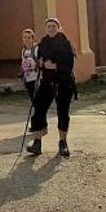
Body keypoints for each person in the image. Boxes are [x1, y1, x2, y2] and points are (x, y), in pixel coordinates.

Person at [28, 17, 76, 158]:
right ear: (46, 28)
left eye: (53, 26)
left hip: (63, 82)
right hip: (47, 81)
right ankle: (37, 142)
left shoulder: (66, 44)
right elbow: (40, 61)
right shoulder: (43, 44)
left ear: (58, 27)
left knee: (62, 112)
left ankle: (63, 143)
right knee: (39, 110)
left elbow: (69, 65)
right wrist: (41, 64)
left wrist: (54, 66)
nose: (51, 28)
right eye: (48, 26)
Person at [19, 28, 39, 100]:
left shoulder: (36, 49)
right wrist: (21, 72)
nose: (26, 39)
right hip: (28, 78)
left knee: (38, 99)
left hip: (36, 79)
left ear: (33, 39)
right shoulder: (23, 50)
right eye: (25, 38)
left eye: (29, 37)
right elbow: (23, 62)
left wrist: (35, 67)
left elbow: (40, 62)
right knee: (33, 99)